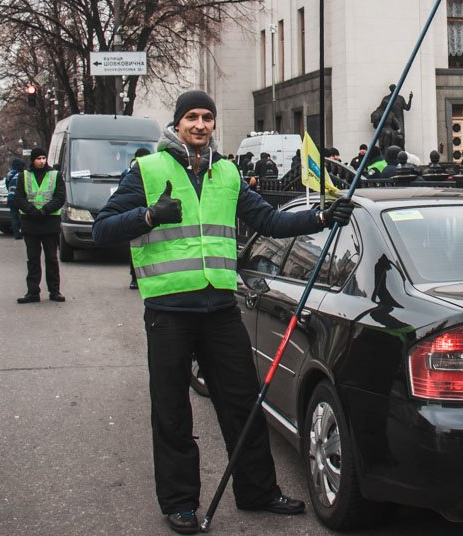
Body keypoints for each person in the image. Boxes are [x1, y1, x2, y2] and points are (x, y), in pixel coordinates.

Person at [91, 90, 352, 534]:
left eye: (206, 117)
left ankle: (258, 492)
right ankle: (179, 503)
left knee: (242, 403)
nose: (199, 124)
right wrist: (151, 216)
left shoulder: (228, 172)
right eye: (191, 117)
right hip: (169, 312)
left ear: (213, 124)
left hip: (219, 309)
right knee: (172, 410)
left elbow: (269, 221)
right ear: (177, 124)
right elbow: (102, 230)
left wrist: (322, 218)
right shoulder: (148, 170)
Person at [13, 147, 66, 304]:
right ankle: (33, 292)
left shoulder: (55, 175)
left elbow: (60, 197)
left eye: (43, 158)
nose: (41, 161)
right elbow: (19, 197)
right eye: (38, 158)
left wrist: (44, 210)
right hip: (31, 223)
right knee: (33, 259)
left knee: (51, 258)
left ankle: (54, 291)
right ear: (33, 160)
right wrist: (31, 210)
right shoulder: (24, 176)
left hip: (49, 223)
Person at [123, 147, 152, 289]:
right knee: (135, 247)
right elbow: (123, 192)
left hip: (151, 214)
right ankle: (134, 277)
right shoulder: (128, 173)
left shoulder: (153, 171)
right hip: (134, 214)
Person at [4, 157, 25, 239]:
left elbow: (7, 185)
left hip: (11, 197)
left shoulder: (9, 174)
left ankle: (16, 233)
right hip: (20, 198)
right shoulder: (23, 174)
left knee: (14, 216)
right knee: (23, 215)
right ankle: (23, 231)